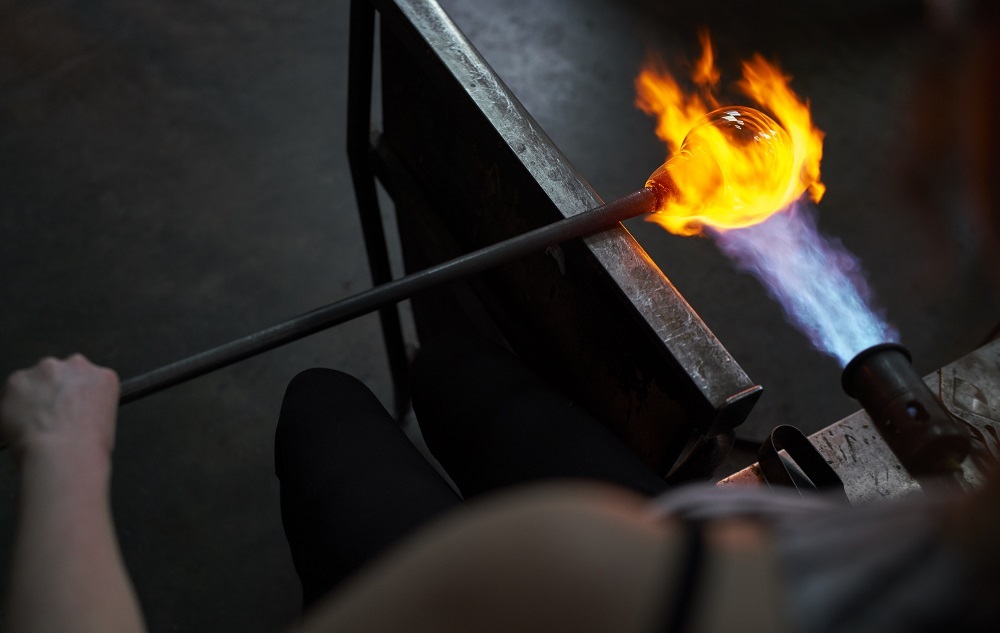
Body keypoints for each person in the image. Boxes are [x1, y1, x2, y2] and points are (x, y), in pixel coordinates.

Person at [2, 340, 997, 632]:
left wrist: (62, 452)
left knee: (324, 405)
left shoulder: (578, 571)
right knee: (470, 376)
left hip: (619, 585)